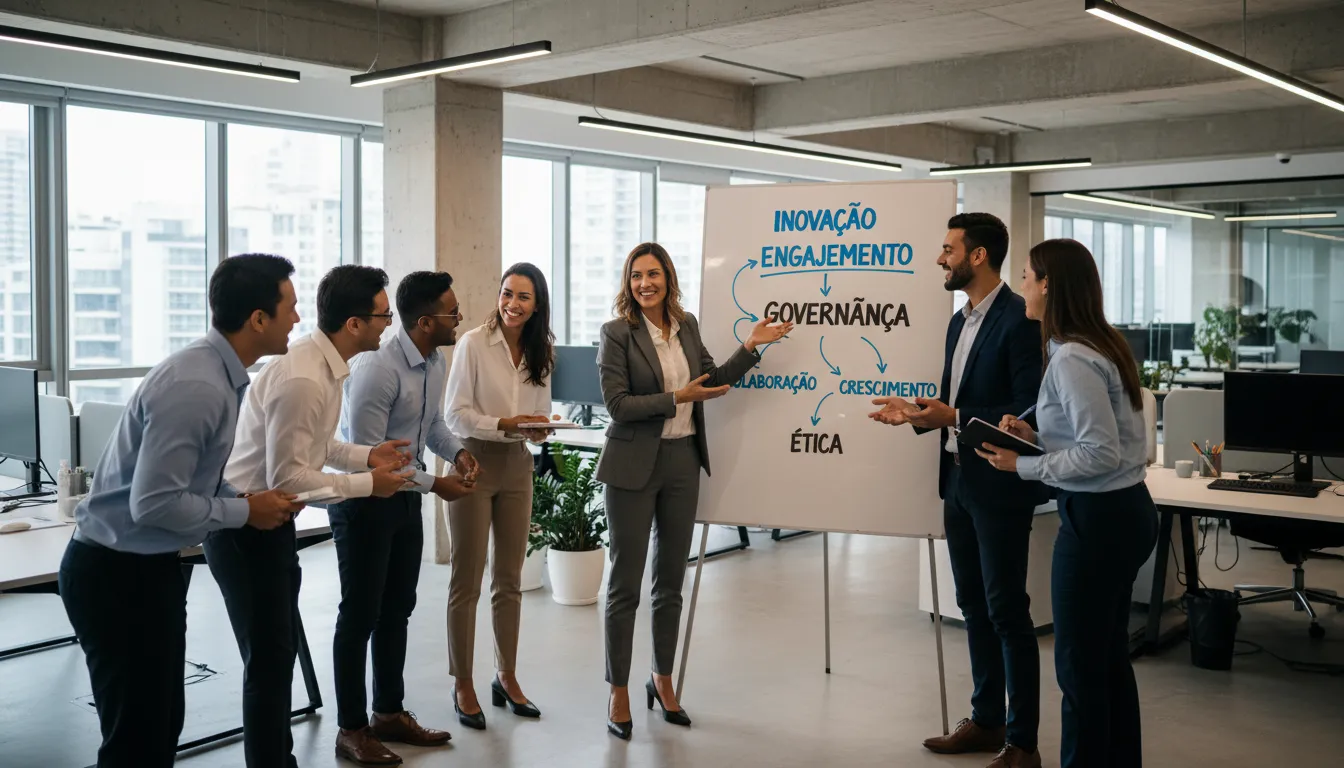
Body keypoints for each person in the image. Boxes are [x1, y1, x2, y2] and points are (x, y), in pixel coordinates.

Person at [58, 254, 304, 768]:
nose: (297, 319)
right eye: (290, 308)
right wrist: (245, 514)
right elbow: (153, 503)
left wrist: (242, 500)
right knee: (136, 743)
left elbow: (192, 482)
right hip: (116, 576)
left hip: (148, 570)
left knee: (160, 727)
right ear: (259, 319)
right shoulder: (198, 386)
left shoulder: (218, 375)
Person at [207, 265, 416, 768]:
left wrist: (367, 456)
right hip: (246, 528)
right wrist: (369, 484)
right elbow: (290, 478)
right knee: (269, 665)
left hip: (271, 524)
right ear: (354, 324)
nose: (389, 325)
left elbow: (319, 448)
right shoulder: (303, 376)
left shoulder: (326, 366)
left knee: (277, 660)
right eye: (384, 315)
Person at [869, 213, 1047, 768]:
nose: (939, 258)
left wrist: (955, 414)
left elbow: (1029, 407)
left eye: (948, 249)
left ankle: (1023, 743)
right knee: (972, 604)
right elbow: (954, 403)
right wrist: (918, 415)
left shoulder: (1020, 318)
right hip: (958, 480)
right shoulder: (958, 322)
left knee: (1007, 610)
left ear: (977, 256)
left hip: (999, 481)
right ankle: (987, 720)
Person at [975, 238, 1158, 768]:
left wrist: (1022, 465)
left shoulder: (1072, 357)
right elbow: (1096, 436)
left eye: (1026, 276)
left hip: (1097, 519)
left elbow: (1099, 452)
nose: (1022, 286)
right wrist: (1034, 434)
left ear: (1049, 285)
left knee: (1079, 667)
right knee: (1108, 659)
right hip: (1126, 511)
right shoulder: (1098, 344)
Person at [597, 242, 792, 740]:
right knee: (625, 586)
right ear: (628, 283)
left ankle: (662, 680)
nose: (645, 283)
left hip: (683, 461)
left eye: (653, 274)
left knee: (670, 582)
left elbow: (714, 380)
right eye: (636, 275)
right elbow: (618, 405)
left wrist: (751, 346)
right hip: (631, 466)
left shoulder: (686, 326)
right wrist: (676, 397)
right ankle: (618, 690)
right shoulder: (616, 333)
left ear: (668, 277)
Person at [331, 270, 480, 765]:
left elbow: (432, 425)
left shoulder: (436, 361)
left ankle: (388, 714)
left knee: (397, 608)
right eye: (452, 312)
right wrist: (437, 484)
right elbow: (370, 459)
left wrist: (459, 454)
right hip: (364, 502)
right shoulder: (377, 368)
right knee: (359, 615)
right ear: (425, 321)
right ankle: (351, 728)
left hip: (405, 500)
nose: (459, 318)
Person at [443, 261, 555, 730]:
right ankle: (463, 682)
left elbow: (540, 412)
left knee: (510, 580)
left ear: (537, 305)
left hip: (517, 466)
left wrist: (538, 430)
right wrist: (504, 423)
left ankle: (505, 675)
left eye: (523, 297)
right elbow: (454, 415)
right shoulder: (473, 343)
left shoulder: (541, 350)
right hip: (472, 462)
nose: (512, 303)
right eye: (507, 293)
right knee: (466, 580)